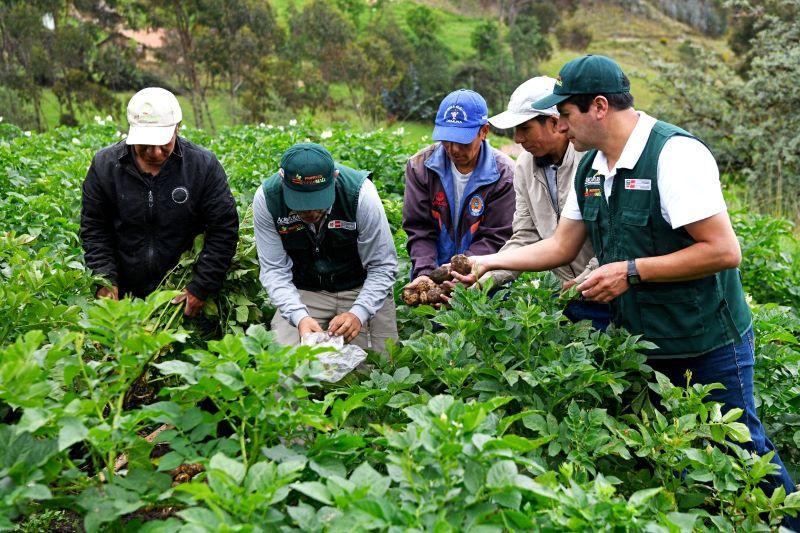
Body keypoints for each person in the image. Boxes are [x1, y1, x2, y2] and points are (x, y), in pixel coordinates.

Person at [457, 55, 798, 522]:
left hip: (705, 339)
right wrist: (487, 262)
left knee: (744, 452)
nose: (561, 125)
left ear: (599, 107)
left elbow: (723, 251)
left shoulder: (674, 156)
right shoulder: (591, 168)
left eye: (566, 113)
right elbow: (560, 246)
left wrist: (631, 271)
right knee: (676, 455)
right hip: (642, 340)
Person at [81, 87, 239, 317]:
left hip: (181, 297)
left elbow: (223, 228)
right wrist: (104, 278)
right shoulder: (105, 166)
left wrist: (202, 286)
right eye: (145, 143)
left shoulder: (202, 166)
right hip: (124, 298)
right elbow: (94, 228)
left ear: (177, 128)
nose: (154, 152)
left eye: (163, 142)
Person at [486, 76, 611, 329]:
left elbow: (613, 236)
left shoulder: (592, 162)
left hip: (606, 290)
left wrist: (586, 280)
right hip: (566, 295)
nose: (518, 138)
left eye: (525, 128)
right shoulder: (524, 166)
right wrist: (488, 276)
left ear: (554, 123)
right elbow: (525, 234)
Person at [253, 142, 398, 355]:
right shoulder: (267, 199)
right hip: (305, 291)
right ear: (283, 182)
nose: (311, 212)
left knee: (379, 365)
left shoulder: (360, 194)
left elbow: (382, 265)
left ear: (335, 177)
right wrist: (299, 317)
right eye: (301, 203)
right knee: (285, 365)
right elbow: (274, 270)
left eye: (317, 201)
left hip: (362, 286)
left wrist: (359, 313)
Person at [402, 89, 515, 292]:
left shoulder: (504, 174)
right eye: (447, 139)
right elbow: (419, 229)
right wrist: (426, 275)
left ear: (484, 131)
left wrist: (459, 276)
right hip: (430, 276)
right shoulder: (420, 167)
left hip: (482, 281)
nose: (454, 149)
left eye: (462, 141)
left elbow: (495, 238)